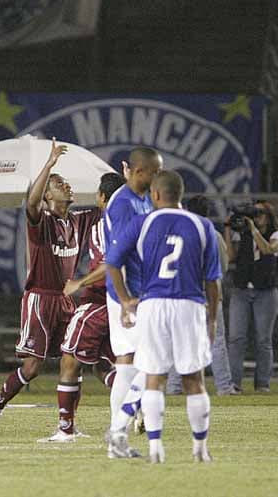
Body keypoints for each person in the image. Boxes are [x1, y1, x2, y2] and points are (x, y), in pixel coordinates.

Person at [0, 139, 98, 436]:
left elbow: (109, 207)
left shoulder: (79, 221)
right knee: (32, 368)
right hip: (40, 299)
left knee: (75, 360)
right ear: (47, 194)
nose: (67, 186)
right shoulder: (41, 221)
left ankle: (67, 425)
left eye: (65, 182)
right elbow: (31, 203)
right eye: (59, 184)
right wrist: (49, 165)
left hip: (66, 301)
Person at [106, 170, 221, 464]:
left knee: (152, 375)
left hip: (153, 303)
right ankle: (200, 449)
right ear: (180, 194)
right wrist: (212, 320)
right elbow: (213, 282)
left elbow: (112, 261)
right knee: (193, 379)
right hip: (189, 305)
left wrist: (125, 300)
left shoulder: (143, 222)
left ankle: (154, 447)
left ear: (155, 194)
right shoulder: (203, 225)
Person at [38, 171, 126, 442]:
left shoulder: (104, 222)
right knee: (105, 365)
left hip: (100, 300)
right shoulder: (137, 218)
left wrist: (80, 283)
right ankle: (137, 402)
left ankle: (65, 429)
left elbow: (109, 262)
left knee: (69, 360)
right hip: (129, 304)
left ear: (101, 197)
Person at [103, 146, 162, 458]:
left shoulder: (142, 200)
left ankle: (119, 434)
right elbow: (115, 258)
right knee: (144, 360)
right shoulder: (124, 203)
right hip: (128, 294)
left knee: (135, 360)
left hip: (141, 291)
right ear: (140, 172)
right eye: (155, 171)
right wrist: (124, 300)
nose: (158, 177)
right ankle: (117, 433)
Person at [166, 195, 235, 395]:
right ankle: (224, 386)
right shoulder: (213, 234)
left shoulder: (178, 232)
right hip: (208, 294)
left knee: (179, 340)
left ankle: (174, 385)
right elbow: (222, 267)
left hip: (183, 293)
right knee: (216, 341)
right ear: (207, 212)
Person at [225, 200, 278, 393]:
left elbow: (268, 249)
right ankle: (234, 383)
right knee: (236, 338)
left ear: (268, 217)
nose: (256, 218)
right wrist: (228, 228)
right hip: (242, 289)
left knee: (263, 340)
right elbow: (230, 256)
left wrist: (253, 231)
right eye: (254, 214)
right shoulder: (243, 233)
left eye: (260, 214)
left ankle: (262, 384)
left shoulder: (276, 235)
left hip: (265, 291)